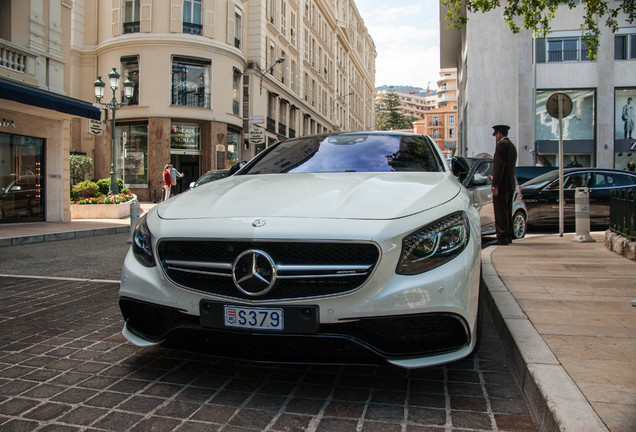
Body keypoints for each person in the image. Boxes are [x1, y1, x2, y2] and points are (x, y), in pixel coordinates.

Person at [489, 124, 517, 246]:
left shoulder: (501, 145)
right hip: (510, 184)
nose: (495, 137)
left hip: (502, 185)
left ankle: (502, 236)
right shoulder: (512, 146)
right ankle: (509, 235)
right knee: (507, 210)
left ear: (499, 133)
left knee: (500, 212)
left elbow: (499, 166)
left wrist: (495, 184)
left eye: (495, 135)